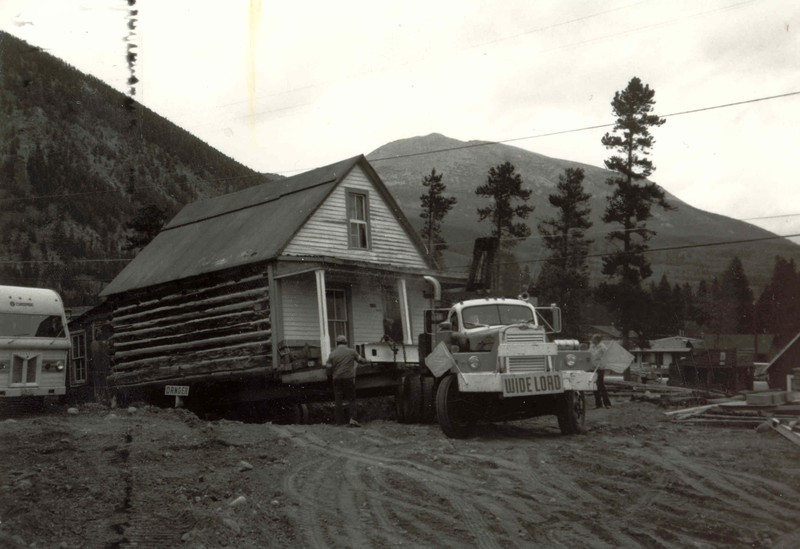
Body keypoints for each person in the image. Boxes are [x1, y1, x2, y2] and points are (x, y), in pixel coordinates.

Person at [325, 335, 369, 427]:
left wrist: (330, 377)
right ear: (346, 342)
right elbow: (361, 361)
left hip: (337, 379)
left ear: (337, 343)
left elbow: (328, 368)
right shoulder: (352, 352)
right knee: (351, 399)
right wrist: (369, 360)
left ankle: (339, 422)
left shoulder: (332, 354)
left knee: (338, 400)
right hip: (348, 378)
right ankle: (353, 420)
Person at [590, 334, 612, 409]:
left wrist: (601, 363)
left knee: (600, 385)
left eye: (593, 338)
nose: (591, 340)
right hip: (592, 368)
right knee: (594, 386)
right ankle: (598, 404)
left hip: (600, 368)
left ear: (597, 339)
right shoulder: (592, 346)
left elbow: (606, 357)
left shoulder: (602, 347)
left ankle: (607, 403)